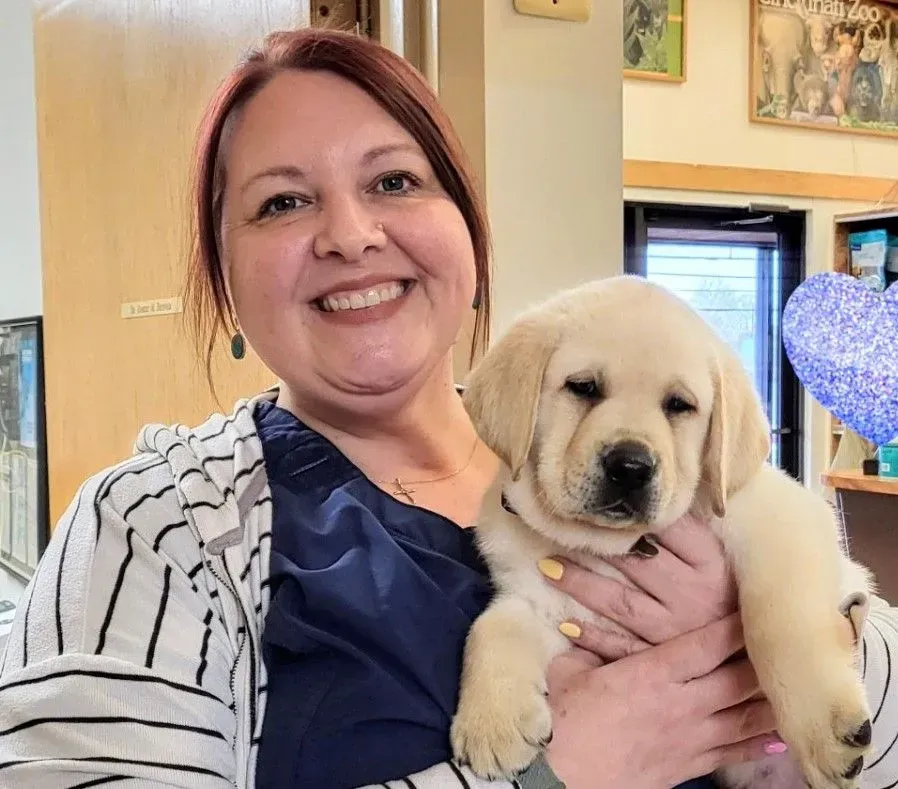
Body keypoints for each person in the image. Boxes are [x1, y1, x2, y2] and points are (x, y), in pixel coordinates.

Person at [0, 26, 896, 789]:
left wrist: (793, 636)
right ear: (224, 279)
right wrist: (547, 775)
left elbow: (872, 726)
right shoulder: (164, 523)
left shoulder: (689, 484)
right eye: (282, 201)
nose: (351, 234)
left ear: (467, 231)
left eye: (394, 182)